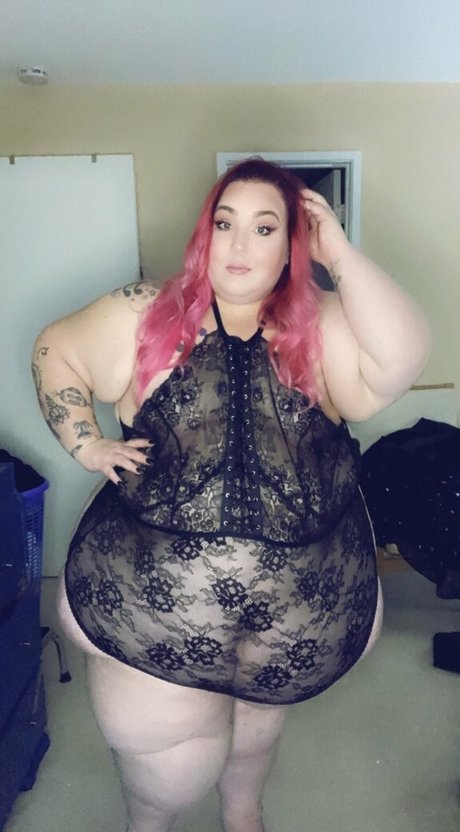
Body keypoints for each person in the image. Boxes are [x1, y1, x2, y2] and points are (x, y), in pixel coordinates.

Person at [32, 157, 431, 832]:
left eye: (265, 228)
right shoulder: (145, 313)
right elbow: (56, 352)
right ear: (205, 233)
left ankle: (243, 813)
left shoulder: (321, 324)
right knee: (168, 781)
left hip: (291, 623)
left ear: (291, 246)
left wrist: (337, 253)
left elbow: (401, 359)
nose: (240, 244)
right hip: (153, 617)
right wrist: (85, 443)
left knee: (250, 750)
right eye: (225, 223)